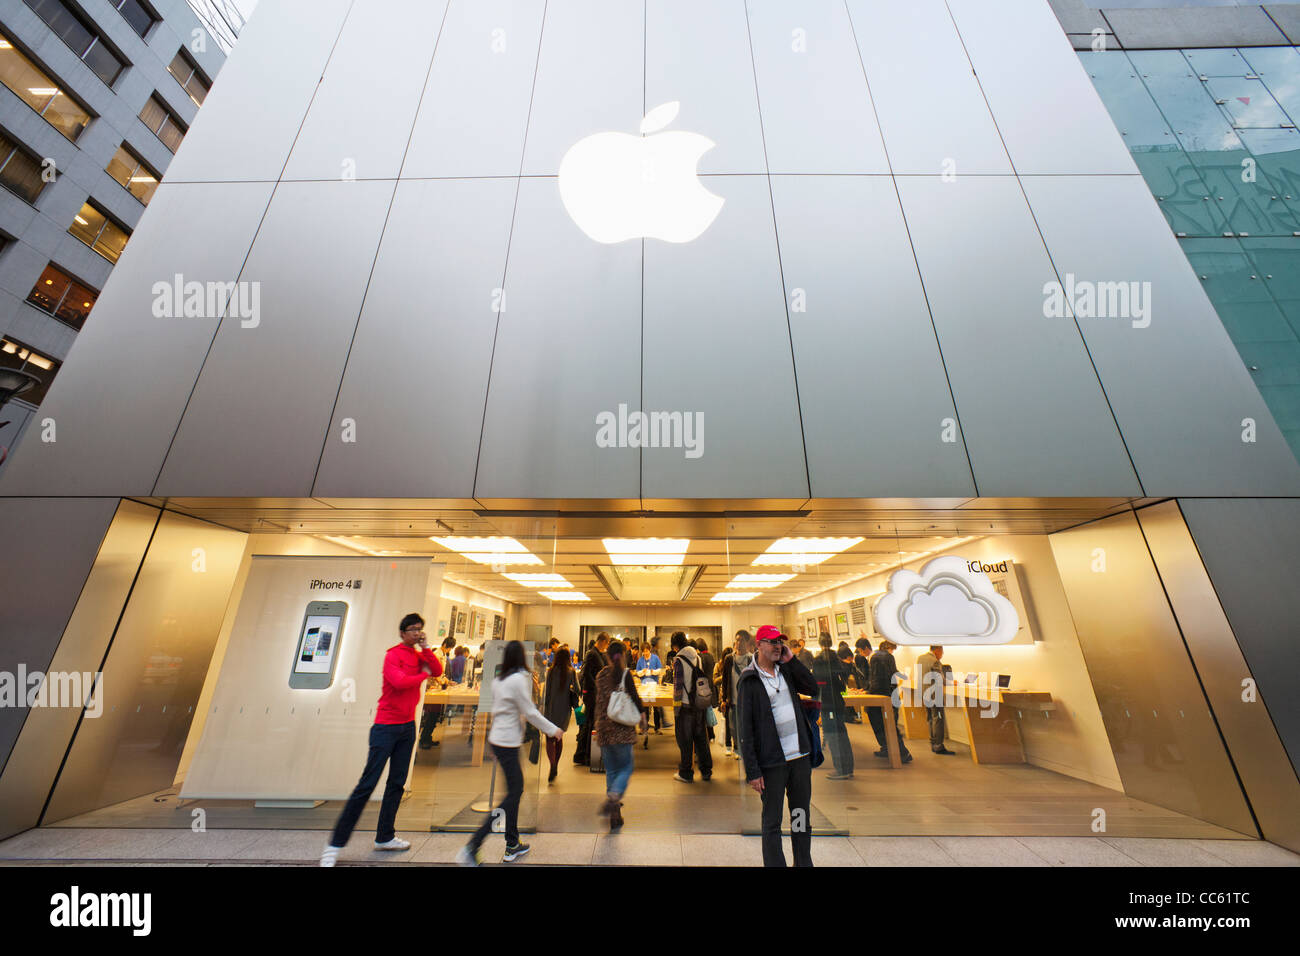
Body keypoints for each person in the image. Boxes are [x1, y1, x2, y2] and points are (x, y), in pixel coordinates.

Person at [321, 613, 442, 866]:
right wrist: (424, 677)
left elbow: (438, 669)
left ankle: (385, 837)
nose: (417, 633)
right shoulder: (393, 655)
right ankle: (334, 845)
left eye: (420, 629)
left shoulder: (419, 655)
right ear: (402, 633)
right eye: (412, 630)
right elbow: (399, 683)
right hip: (385, 727)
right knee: (367, 785)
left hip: (407, 727)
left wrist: (427, 649)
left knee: (396, 783)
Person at [457, 641, 562, 866]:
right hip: (507, 743)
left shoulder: (499, 680)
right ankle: (473, 844)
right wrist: (553, 730)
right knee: (512, 795)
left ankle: (512, 843)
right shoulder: (517, 681)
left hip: (501, 741)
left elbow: (498, 712)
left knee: (515, 791)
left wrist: (492, 743)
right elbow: (530, 712)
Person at [736, 625, 818, 867]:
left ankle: (803, 862)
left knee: (800, 816)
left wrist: (792, 660)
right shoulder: (749, 680)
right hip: (772, 763)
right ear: (758, 645)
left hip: (800, 758)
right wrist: (753, 771)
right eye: (771, 642)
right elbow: (745, 729)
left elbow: (812, 689)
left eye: (779, 642)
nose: (777, 646)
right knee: (772, 821)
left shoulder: (787, 671)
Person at [593, 640, 645, 830]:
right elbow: (635, 698)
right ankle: (615, 795)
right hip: (622, 730)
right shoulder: (625, 674)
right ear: (623, 655)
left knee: (612, 771)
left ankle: (615, 814)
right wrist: (643, 719)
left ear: (607, 656)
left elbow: (599, 701)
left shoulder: (601, 675)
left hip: (605, 729)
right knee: (626, 768)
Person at [670, 632, 713, 782]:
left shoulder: (678, 660)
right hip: (698, 704)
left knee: (685, 740)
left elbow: (678, 689)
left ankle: (686, 773)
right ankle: (706, 770)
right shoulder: (698, 657)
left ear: (675, 645)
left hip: (685, 706)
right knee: (701, 738)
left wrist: (676, 710)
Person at [812, 633, 854, 779]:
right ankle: (848, 768)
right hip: (838, 701)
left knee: (832, 736)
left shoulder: (818, 660)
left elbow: (817, 682)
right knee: (842, 734)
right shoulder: (836, 659)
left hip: (827, 702)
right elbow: (842, 682)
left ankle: (840, 769)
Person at [867, 640, 912, 764]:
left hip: (879, 694)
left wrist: (869, 691)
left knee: (879, 722)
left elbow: (874, 678)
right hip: (891, 694)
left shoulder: (875, 657)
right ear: (888, 647)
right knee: (891, 724)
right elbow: (893, 673)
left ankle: (889, 749)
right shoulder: (888, 657)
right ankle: (901, 752)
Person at [542, 647, 581, 782]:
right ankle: (556, 765)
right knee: (559, 738)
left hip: (551, 708)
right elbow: (578, 689)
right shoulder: (571, 672)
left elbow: (546, 693)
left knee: (549, 739)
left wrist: (544, 708)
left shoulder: (551, 672)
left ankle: (552, 764)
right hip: (564, 709)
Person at [574, 633, 610, 766]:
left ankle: (583, 754)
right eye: (606, 643)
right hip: (590, 694)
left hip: (594, 693)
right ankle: (584, 755)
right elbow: (586, 674)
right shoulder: (591, 654)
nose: (606, 647)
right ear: (602, 641)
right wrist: (597, 687)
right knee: (588, 724)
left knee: (589, 724)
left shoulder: (598, 654)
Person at [419, 635, 458, 749]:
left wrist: (447, 681)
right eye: (449, 648)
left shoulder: (443, 655)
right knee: (431, 715)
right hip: (433, 688)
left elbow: (441, 673)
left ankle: (428, 737)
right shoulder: (437, 654)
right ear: (445, 645)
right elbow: (434, 672)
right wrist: (442, 682)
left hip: (438, 688)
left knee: (435, 715)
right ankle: (424, 739)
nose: (449, 650)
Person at [915, 645, 954, 755]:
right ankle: (938, 746)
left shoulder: (920, 658)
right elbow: (940, 679)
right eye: (942, 652)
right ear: (938, 650)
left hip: (924, 693)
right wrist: (951, 683)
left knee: (930, 718)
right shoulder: (935, 661)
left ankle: (933, 742)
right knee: (938, 718)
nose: (942, 655)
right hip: (934, 695)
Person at [729, 629, 755, 761]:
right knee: (734, 727)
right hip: (733, 700)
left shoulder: (752, 659)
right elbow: (726, 680)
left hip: (748, 701)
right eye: (737, 639)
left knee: (748, 727)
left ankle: (747, 750)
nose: (738, 643)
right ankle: (737, 748)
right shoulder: (729, 659)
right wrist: (724, 699)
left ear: (747, 642)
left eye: (742, 640)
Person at [635, 642, 665, 733]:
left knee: (656, 707)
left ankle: (657, 728)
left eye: (647, 651)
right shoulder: (640, 660)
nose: (645, 653)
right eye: (644, 651)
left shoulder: (655, 658)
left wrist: (652, 672)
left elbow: (659, 670)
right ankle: (645, 727)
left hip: (654, 685)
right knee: (645, 707)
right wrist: (642, 672)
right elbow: (637, 672)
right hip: (644, 686)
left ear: (649, 650)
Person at [715, 646, 735, 755]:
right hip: (725, 695)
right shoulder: (719, 665)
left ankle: (735, 746)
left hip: (734, 696)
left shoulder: (736, 663)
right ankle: (728, 745)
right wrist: (723, 677)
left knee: (735, 722)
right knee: (727, 721)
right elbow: (715, 680)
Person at [852, 637, 873, 723]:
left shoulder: (873, 658)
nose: (860, 653)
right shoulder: (868, 658)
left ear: (866, 648)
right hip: (869, 689)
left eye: (861, 650)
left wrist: (868, 690)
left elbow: (872, 677)